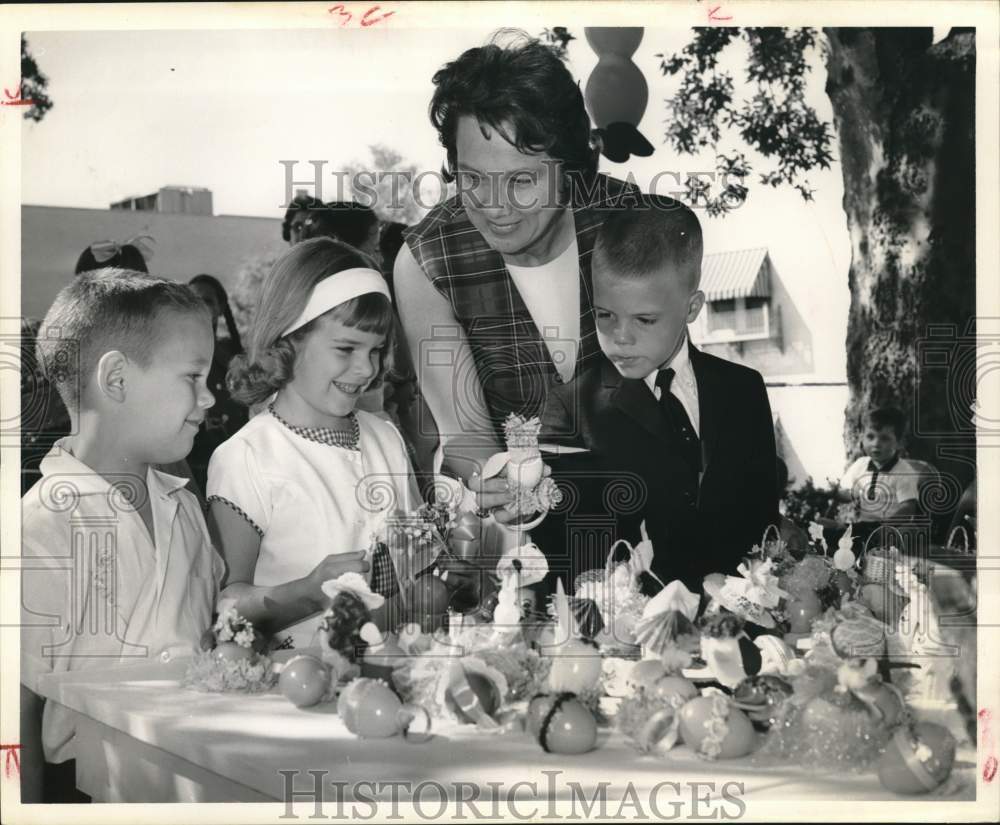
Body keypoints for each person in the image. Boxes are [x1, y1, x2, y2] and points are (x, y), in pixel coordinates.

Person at [394, 31, 639, 519]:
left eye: (522, 180)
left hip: (649, 494)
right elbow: (465, 434)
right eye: (472, 179)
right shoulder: (428, 261)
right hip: (520, 530)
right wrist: (501, 487)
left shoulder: (630, 222)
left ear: (570, 167)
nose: (494, 207)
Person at [20, 269, 221, 803]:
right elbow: (14, 714)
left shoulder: (184, 509)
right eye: (193, 377)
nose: (209, 399)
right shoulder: (38, 530)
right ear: (116, 381)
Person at [541, 197, 780, 589]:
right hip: (626, 631)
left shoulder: (743, 389)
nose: (620, 337)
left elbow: (763, 524)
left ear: (692, 307)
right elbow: (560, 547)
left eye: (645, 319)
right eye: (604, 315)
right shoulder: (572, 407)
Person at [206, 237, 423, 649]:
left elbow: (415, 563)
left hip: (386, 670)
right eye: (346, 348)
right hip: (287, 687)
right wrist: (308, 589)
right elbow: (225, 607)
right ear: (287, 341)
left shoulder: (386, 438)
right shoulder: (247, 458)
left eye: (376, 350)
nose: (365, 369)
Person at [186, 274, 250, 493]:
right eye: (194, 300)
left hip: (232, 457)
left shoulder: (234, 355)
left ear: (221, 307)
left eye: (208, 301)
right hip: (190, 459)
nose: (201, 307)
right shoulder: (175, 353)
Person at [837, 406, 920, 522]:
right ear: (862, 438)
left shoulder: (903, 472)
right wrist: (831, 493)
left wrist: (886, 526)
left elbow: (908, 507)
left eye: (885, 439)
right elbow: (849, 495)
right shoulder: (860, 465)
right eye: (870, 437)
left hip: (893, 528)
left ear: (899, 443)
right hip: (864, 526)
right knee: (821, 525)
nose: (876, 444)